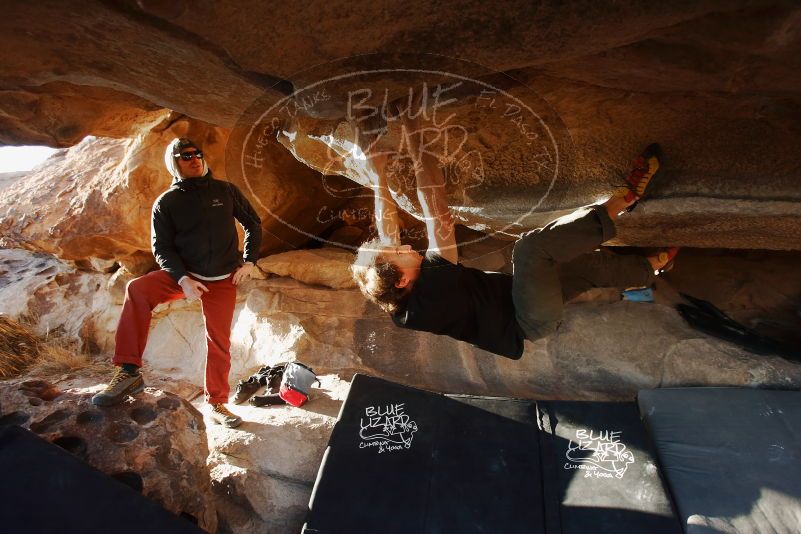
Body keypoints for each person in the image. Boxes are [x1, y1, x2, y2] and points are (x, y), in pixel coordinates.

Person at [352, 112, 677, 360]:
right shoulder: (434, 293)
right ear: (402, 280)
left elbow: (387, 232)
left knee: (587, 268)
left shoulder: (398, 300)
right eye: (400, 253)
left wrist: (378, 171)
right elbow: (436, 208)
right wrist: (412, 126)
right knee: (530, 250)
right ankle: (625, 199)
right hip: (528, 318)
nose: (405, 245)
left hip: (520, 299)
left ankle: (654, 266)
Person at [92, 137, 262, 428]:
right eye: (186, 156)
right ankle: (128, 372)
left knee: (219, 342)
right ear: (174, 162)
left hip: (222, 279)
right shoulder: (167, 202)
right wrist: (182, 279)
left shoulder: (225, 190)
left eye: (197, 154)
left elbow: (253, 223)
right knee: (137, 289)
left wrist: (250, 261)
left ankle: (216, 404)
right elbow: (162, 248)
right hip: (186, 275)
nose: (194, 159)